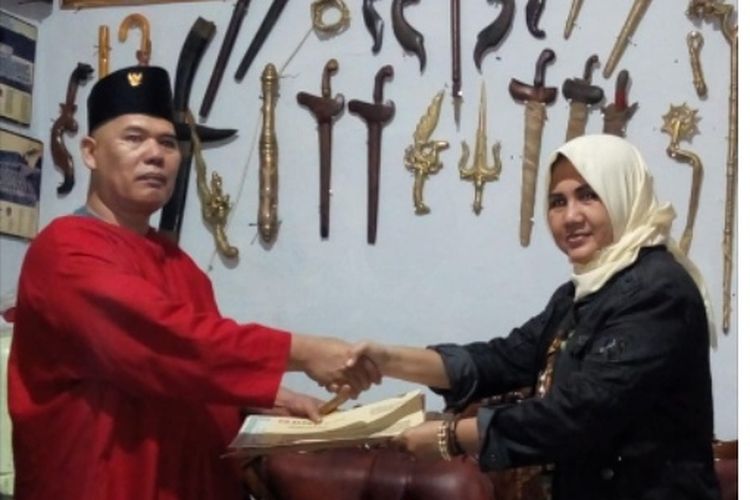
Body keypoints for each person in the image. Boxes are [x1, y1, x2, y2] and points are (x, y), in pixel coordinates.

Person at [8, 66, 378, 500]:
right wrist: (305, 352)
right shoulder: (64, 251)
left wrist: (266, 399)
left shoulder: (182, 268)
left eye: (168, 143)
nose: (155, 154)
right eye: (134, 138)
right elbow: (167, 341)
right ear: (90, 152)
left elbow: (195, 370)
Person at [351, 134, 721, 500]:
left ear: (624, 193)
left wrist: (451, 437)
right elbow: (504, 359)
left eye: (589, 196)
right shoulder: (582, 293)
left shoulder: (658, 291)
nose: (570, 217)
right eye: (558, 202)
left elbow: (581, 413)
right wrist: (385, 361)